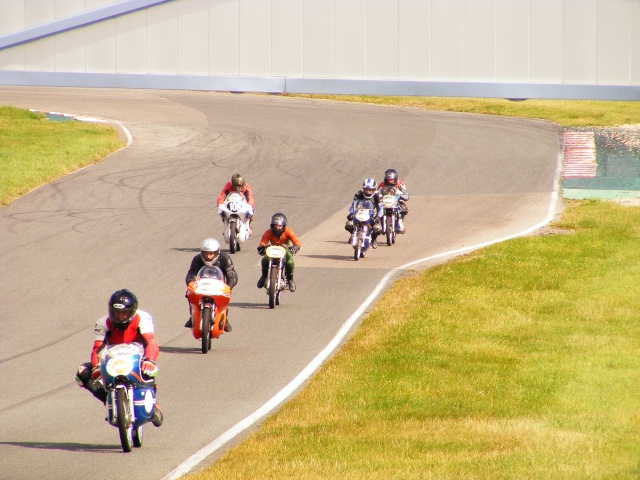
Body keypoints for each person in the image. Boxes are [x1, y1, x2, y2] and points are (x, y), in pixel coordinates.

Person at [75, 289, 163, 427]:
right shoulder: (102, 322)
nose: (121, 316)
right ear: (111, 310)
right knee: (82, 373)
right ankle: (109, 400)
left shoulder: (143, 317)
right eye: (117, 312)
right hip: (112, 358)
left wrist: (149, 360)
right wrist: (96, 367)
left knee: (150, 369)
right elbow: (97, 349)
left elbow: (150, 342)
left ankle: (154, 404)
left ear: (132, 311)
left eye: (124, 313)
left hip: (136, 356)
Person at [184, 238, 238, 331]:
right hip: (202, 285)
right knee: (190, 294)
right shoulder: (197, 259)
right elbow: (191, 273)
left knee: (226, 297)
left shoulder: (225, 259)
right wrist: (190, 283)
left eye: (211, 253)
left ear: (217, 252)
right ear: (202, 253)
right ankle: (192, 315)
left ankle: (224, 319)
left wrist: (229, 286)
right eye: (206, 253)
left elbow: (231, 274)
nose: (208, 256)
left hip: (219, 285)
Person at [256, 213, 301, 292]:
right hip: (271, 250)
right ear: (272, 225)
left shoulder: (288, 231)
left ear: (284, 226)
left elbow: (297, 241)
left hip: (285, 250)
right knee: (264, 260)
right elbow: (263, 242)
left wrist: (295, 246)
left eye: (280, 226)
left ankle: (290, 280)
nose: (277, 228)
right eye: (276, 225)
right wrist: (262, 247)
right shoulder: (268, 232)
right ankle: (264, 276)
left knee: (290, 262)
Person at [344, 178, 383, 248]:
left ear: (374, 189)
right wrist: (350, 213)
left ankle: (374, 239)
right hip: (360, 212)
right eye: (366, 189)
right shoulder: (359, 194)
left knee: (378, 228)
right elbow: (353, 205)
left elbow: (381, 207)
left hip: (373, 214)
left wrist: (378, 217)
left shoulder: (378, 195)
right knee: (348, 224)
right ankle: (353, 234)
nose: (368, 191)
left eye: (370, 190)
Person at [378, 168, 409, 233]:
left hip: (396, 200)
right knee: (377, 209)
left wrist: (400, 195)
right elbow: (377, 193)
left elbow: (405, 194)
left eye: (391, 180)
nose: (390, 181)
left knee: (403, 208)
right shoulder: (382, 184)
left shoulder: (400, 183)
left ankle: (400, 222)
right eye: (388, 179)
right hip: (385, 201)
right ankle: (378, 224)